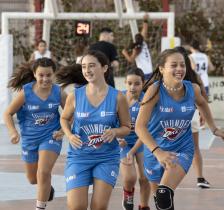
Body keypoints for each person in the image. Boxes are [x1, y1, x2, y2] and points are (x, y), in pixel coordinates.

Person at [135, 49, 224, 210]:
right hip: (155, 151)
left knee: (164, 194)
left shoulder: (192, 89)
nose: (180, 68)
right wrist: (158, 152)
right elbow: (139, 126)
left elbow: (203, 104)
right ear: (162, 69)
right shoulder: (155, 90)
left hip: (182, 148)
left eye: (182, 65)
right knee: (160, 201)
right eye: (174, 65)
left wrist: (213, 128)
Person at [59, 50, 131, 210]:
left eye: (92, 66)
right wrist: (69, 135)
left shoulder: (118, 97)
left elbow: (127, 127)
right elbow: (64, 118)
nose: (87, 70)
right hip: (79, 156)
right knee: (76, 206)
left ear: (105, 68)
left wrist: (115, 132)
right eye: (84, 66)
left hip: (106, 157)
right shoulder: (75, 95)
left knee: (99, 207)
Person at [3, 58, 67, 210]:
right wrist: (13, 132)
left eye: (48, 75)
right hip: (29, 139)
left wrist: (63, 130)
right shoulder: (25, 92)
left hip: (51, 137)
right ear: (34, 74)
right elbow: (7, 113)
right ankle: (46, 188)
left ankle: (40, 207)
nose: (45, 79)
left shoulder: (59, 92)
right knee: (33, 179)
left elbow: (71, 115)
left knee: (44, 172)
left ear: (54, 74)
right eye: (41, 75)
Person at [176, 46, 211, 188]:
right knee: (195, 147)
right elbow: (203, 94)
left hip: (172, 116)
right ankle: (200, 178)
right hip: (191, 115)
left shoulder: (169, 74)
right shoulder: (193, 75)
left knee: (168, 145)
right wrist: (202, 112)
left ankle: (165, 176)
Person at [119, 67, 151, 210]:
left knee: (145, 177)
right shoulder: (119, 98)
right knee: (130, 178)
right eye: (130, 83)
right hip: (123, 143)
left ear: (143, 84)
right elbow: (111, 123)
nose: (133, 87)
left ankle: (144, 206)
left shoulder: (147, 101)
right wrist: (117, 138)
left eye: (137, 83)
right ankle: (128, 194)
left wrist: (133, 151)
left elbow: (146, 131)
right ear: (125, 83)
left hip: (142, 141)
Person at [122, 14, 153, 81]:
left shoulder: (136, 49)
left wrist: (124, 53)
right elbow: (145, 30)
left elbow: (131, 60)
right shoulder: (144, 43)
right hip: (150, 71)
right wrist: (145, 20)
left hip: (143, 73)